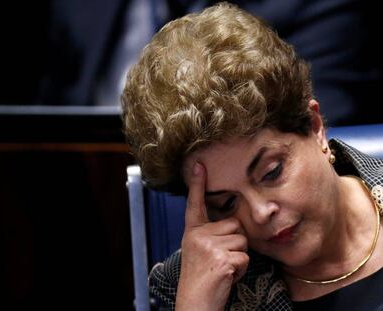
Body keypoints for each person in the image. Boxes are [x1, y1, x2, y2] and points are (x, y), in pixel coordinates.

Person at [121, 2, 383, 310]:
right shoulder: (193, 288)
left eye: (271, 172)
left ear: (314, 129)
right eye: (226, 203)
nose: (260, 213)